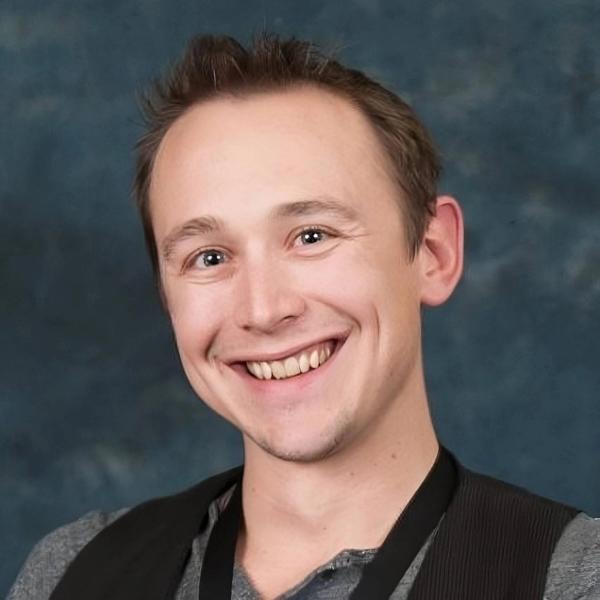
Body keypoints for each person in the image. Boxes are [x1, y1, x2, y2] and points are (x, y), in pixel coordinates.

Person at [8, 33, 600, 600]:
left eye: (311, 235)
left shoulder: (574, 580)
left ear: (433, 252)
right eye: (209, 257)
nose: (263, 310)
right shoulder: (75, 571)